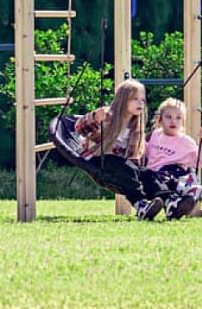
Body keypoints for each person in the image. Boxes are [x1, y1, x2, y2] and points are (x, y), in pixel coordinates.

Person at [70, 80, 165, 220]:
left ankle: (168, 200)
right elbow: (78, 128)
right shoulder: (108, 115)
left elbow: (133, 157)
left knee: (147, 174)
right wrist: (94, 117)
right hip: (97, 159)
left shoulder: (135, 125)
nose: (140, 103)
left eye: (143, 100)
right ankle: (141, 205)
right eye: (135, 99)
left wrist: (139, 173)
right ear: (123, 100)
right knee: (126, 168)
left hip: (119, 164)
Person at [139, 97, 202, 220]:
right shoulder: (155, 135)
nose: (173, 121)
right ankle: (174, 205)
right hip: (157, 176)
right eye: (168, 117)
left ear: (183, 122)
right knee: (153, 176)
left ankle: (182, 204)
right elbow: (143, 150)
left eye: (178, 118)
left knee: (189, 181)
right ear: (160, 120)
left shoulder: (186, 141)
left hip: (178, 175)